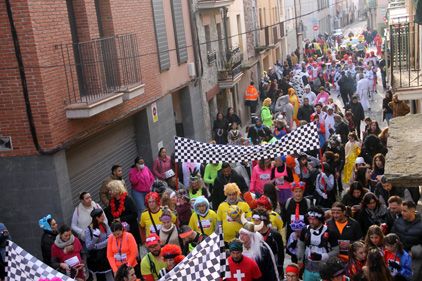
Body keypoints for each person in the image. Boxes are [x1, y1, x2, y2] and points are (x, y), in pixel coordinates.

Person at [297, 207, 339, 281]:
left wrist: (321, 256)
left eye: (314, 219)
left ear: (320, 219)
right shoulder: (305, 230)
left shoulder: (330, 232)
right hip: (308, 268)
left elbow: (336, 251)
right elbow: (301, 245)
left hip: (324, 268)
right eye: (309, 219)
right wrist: (300, 260)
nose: (311, 222)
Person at [239, 215, 280, 280]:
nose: (241, 236)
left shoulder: (263, 250)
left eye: (245, 234)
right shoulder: (237, 248)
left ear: (251, 237)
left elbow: (271, 270)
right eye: (241, 233)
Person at [282, 182, 312, 262]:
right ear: (292, 192)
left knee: (305, 254)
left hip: (304, 234)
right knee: (294, 255)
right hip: (291, 234)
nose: (298, 194)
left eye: (300, 191)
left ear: (303, 192)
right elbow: (283, 219)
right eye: (296, 191)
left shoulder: (307, 202)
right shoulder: (288, 202)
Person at [392, 200, 422, 280]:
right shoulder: (398, 221)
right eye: (401, 210)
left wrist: (414, 251)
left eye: (405, 211)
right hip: (398, 256)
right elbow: (392, 236)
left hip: (414, 259)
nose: (402, 213)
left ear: (412, 211)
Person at [252, 210, 284, 278]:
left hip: (272, 266)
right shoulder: (253, 234)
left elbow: (280, 253)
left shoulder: (275, 235)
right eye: (254, 220)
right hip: (258, 267)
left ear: (264, 221)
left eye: (257, 220)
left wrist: (280, 268)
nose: (254, 222)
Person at [85, 209, 112, 281]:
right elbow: (88, 247)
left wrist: (97, 246)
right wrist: (94, 238)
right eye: (102, 216)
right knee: (101, 277)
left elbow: (110, 238)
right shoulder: (88, 230)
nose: (103, 217)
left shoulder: (104, 225)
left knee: (110, 275)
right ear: (97, 218)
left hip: (107, 254)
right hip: (97, 258)